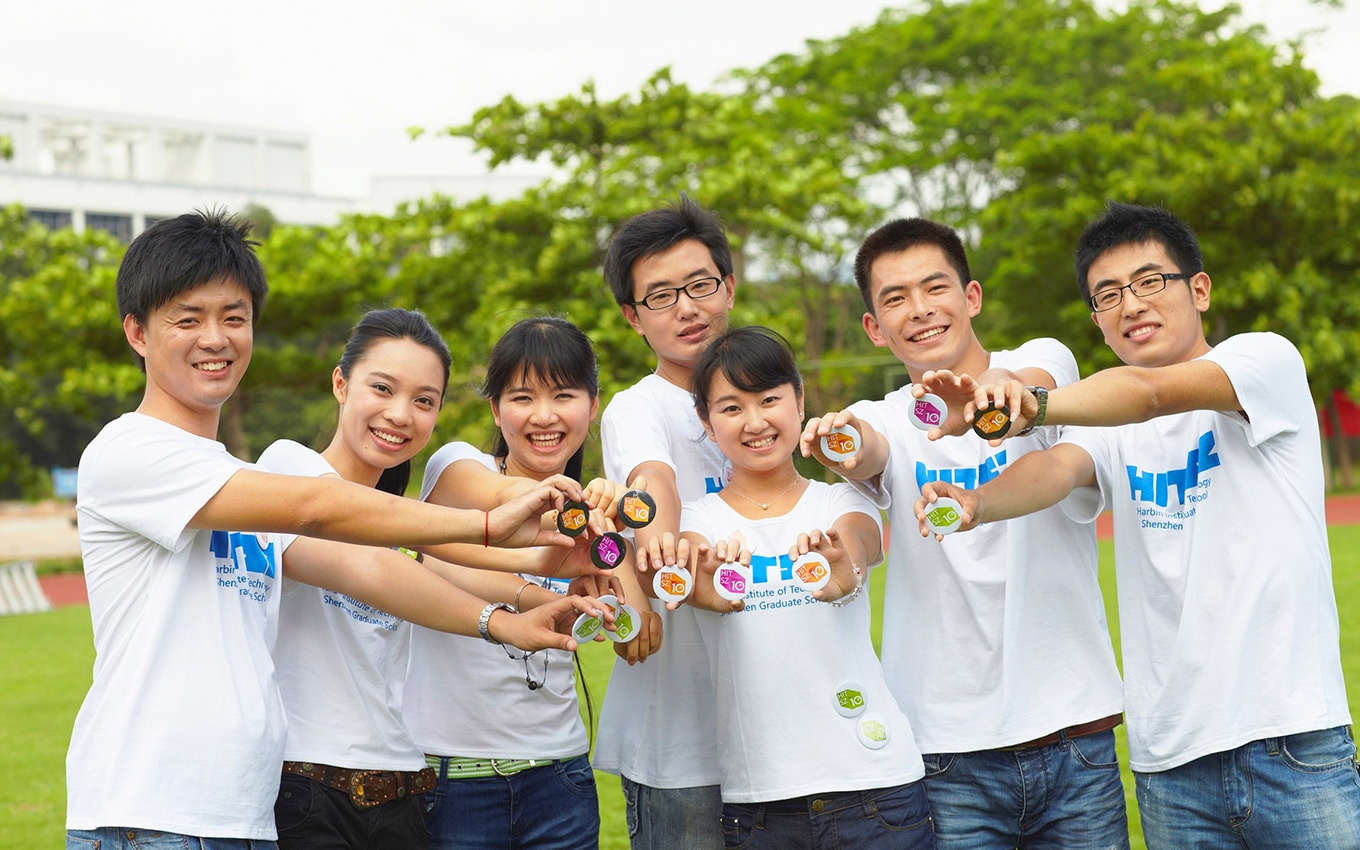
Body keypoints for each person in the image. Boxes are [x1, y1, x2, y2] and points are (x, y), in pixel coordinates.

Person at [66, 210, 605, 850]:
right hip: (148, 813)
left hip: (240, 812)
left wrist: (511, 617)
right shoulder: (133, 451)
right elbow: (319, 508)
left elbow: (366, 566)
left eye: (234, 318)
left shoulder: (235, 480)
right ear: (137, 331)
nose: (215, 338)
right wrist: (487, 525)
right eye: (188, 319)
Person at [914, 202, 1360, 849]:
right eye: (1108, 295)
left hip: (1291, 740)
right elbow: (1056, 470)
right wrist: (976, 503)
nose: (1131, 304)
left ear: (1199, 288)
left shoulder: (1263, 361)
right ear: (1097, 320)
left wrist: (1032, 403)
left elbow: (1151, 394)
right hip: (1170, 766)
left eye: (1150, 281)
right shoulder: (1109, 427)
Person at [800, 217, 1128, 848]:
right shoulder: (879, 416)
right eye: (896, 298)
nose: (920, 309)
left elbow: (1033, 389)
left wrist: (997, 399)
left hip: (1074, 736)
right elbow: (868, 451)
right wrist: (843, 442)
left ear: (971, 296)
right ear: (874, 327)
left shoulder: (1043, 362)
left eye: (935, 287)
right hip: (946, 753)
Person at [672, 325, 932, 849]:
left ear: (799, 400)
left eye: (769, 399)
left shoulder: (842, 500)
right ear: (705, 421)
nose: (755, 422)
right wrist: (706, 585)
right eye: (731, 407)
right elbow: (696, 577)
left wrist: (843, 569)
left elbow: (858, 547)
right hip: (761, 806)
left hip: (875, 790)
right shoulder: (697, 519)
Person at [408, 316, 627, 850]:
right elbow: (443, 554)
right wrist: (552, 565)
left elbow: (626, 625)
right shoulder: (458, 466)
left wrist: (598, 586)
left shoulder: (597, 518)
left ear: (593, 406)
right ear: (495, 409)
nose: (544, 416)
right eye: (523, 397)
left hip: (561, 778)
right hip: (451, 781)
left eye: (564, 395)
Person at [594, 194, 734, 848]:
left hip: (775, 733)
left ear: (728, 286)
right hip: (681, 745)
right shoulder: (636, 409)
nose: (686, 307)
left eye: (700, 285)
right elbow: (652, 483)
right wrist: (658, 545)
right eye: (660, 296)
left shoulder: (763, 402)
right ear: (633, 317)